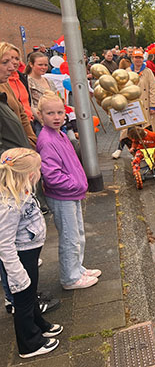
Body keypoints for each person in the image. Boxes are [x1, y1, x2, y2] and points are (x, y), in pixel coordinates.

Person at [0, 148, 63, 358]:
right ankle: (30, 343)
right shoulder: (9, 205)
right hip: (20, 257)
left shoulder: (21, 193)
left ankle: (39, 324)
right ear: (29, 175)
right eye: (38, 169)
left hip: (29, 252)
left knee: (31, 292)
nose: (40, 172)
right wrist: (16, 274)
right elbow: (4, 244)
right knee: (24, 299)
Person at [35, 92, 101, 290]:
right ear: (40, 115)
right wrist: (76, 184)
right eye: (50, 113)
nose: (56, 117)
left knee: (77, 233)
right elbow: (52, 175)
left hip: (70, 193)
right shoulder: (47, 141)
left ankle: (77, 268)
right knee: (69, 237)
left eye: (59, 112)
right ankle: (70, 278)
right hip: (63, 195)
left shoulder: (59, 134)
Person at [0, 43, 36, 148]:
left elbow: (21, 112)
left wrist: (32, 142)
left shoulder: (7, 82)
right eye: (5, 62)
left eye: (16, 59)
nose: (11, 67)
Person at [25, 52, 57, 136]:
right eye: (40, 65)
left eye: (45, 65)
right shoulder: (27, 81)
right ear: (31, 64)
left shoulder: (49, 81)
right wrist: (43, 121)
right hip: (39, 122)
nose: (44, 67)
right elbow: (30, 105)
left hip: (55, 119)